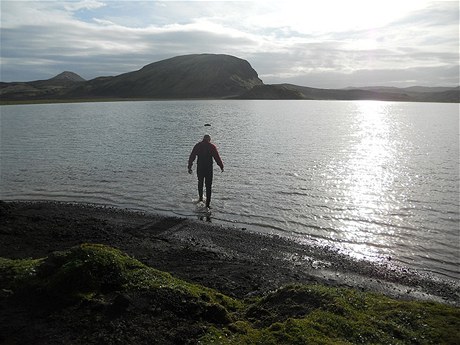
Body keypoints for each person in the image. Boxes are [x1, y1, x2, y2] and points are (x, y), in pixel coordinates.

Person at [188, 134, 224, 209]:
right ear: (209, 140)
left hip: (200, 167)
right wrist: (221, 166)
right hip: (208, 169)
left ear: (203, 139)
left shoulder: (198, 146)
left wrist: (189, 166)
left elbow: (192, 156)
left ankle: (200, 199)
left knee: (200, 182)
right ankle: (207, 204)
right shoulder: (212, 146)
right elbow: (217, 157)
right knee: (208, 186)